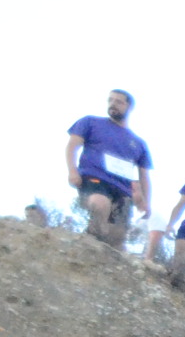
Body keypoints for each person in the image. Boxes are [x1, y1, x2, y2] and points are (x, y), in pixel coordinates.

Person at [63, 90, 150, 250]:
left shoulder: (138, 143)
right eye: (110, 100)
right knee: (100, 205)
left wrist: (146, 201)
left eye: (119, 102)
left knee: (117, 237)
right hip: (95, 178)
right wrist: (72, 171)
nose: (113, 104)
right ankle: (87, 247)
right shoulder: (90, 122)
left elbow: (144, 175)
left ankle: (102, 257)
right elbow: (72, 146)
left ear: (129, 107)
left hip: (122, 189)